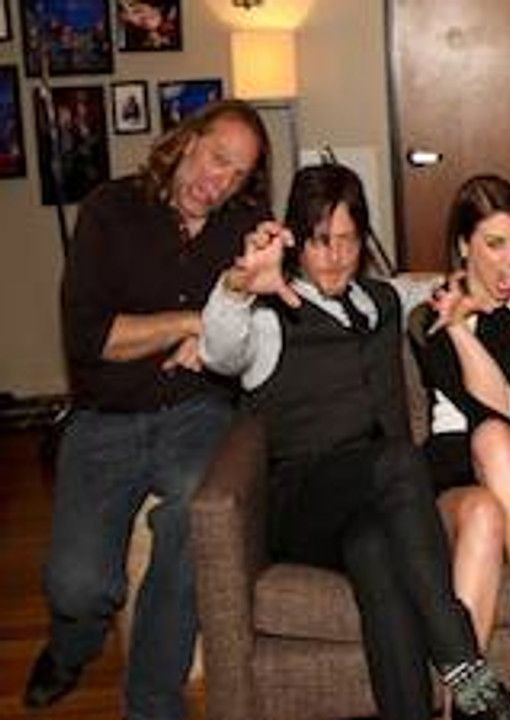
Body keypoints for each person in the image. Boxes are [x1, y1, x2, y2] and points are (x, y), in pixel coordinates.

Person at [199, 163, 510, 720]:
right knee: (400, 461)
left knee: (376, 552)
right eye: (321, 241)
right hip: (303, 504)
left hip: (369, 510)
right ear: (297, 241)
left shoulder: (382, 300)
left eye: (349, 240)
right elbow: (220, 353)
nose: (335, 257)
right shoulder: (268, 317)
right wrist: (238, 286)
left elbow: (448, 283)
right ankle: (468, 674)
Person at [23, 100, 271, 720]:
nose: (220, 181)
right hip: (104, 418)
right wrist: (193, 322)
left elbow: (258, 332)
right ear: (187, 141)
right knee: (79, 586)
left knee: (195, 519)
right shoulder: (111, 210)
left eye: (238, 173)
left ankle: (153, 702)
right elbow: (91, 338)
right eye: (217, 158)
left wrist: (238, 313)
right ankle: (72, 646)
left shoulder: (244, 227)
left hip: (196, 413)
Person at [408, 174, 510, 719]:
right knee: (488, 461)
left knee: (492, 488)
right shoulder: (428, 317)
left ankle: (466, 708)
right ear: (463, 246)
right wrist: (458, 328)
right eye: (494, 244)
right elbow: (493, 406)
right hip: (450, 471)